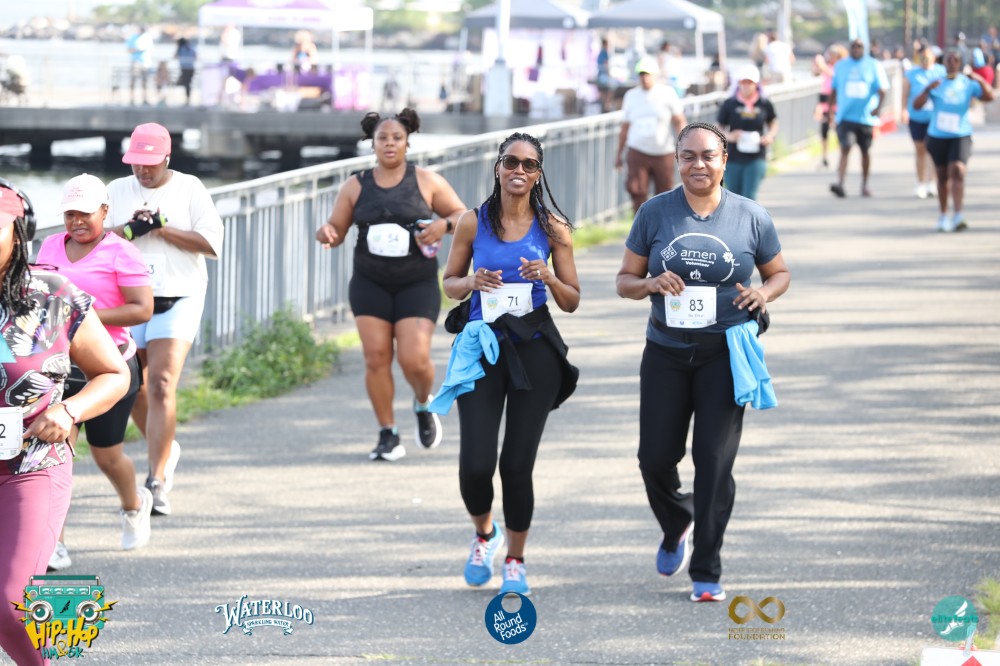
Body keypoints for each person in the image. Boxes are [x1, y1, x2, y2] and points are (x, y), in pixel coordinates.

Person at [615, 122, 790, 603]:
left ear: (724, 160)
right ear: (676, 160)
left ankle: (707, 569)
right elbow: (624, 280)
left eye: (708, 155)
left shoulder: (751, 216)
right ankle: (677, 520)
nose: (698, 164)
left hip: (725, 353)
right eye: (688, 156)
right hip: (666, 352)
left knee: (713, 462)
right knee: (654, 458)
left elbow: (779, 273)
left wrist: (763, 292)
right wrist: (650, 284)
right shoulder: (654, 213)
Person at [433, 132, 580, 596]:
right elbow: (449, 283)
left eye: (529, 165)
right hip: (482, 347)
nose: (519, 171)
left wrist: (549, 277)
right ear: (497, 167)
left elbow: (572, 300)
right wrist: (471, 282)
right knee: (476, 465)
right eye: (511, 162)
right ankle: (485, 535)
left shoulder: (553, 227)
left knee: (516, 464)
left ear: (539, 174)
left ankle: (515, 560)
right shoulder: (471, 222)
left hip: (535, 350)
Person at [0, 178, 129, 665]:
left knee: (11, 604)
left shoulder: (54, 296)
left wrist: (69, 410)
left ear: (20, 233)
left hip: (31, 467)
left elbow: (113, 373)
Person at [314, 108, 466, 461]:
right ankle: (388, 434)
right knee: (376, 358)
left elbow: (463, 216)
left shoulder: (427, 181)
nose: (390, 144)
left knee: (415, 359)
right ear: (372, 143)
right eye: (382, 138)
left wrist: (442, 225)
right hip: (370, 283)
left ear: (407, 142)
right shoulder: (356, 185)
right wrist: (327, 232)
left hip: (416, 282)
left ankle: (423, 403)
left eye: (397, 138)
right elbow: (335, 229)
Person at [106, 123, 225, 515]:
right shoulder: (117, 190)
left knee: (160, 383)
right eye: (136, 163)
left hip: (180, 295)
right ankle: (165, 448)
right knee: (134, 387)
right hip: (130, 301)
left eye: (151, 164)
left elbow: (211, 244)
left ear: (167, 158)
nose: (143, 171)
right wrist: (131, 228)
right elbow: (98, 242)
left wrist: (162, 227)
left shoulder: (190, 188)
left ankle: (156, 481)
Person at [38, 174, 154, 569]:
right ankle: (53, 542)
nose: (76, 222)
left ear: (105, 211)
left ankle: (134, 504)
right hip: (59, 368)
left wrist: (81, 318)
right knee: (55, 456)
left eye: (84, 214)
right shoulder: (49, 246)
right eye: (69, 214)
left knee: (107, 457)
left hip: (110, 368)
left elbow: (142, 309)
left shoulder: (123, 252)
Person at [913, 49, 995, 232]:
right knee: (942, 176)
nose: (951, 63)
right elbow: (916, 105)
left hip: (960, 135)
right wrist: (927, 89)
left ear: (959, 63)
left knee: (958, 170)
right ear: (944, 63)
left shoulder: (967, 83)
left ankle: (958, 215)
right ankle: (943, 215)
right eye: (948, 60)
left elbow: (989, 97)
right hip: (938, 135)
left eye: (955, 60)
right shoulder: (937, 83)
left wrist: (978, 79)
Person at [616, 57, 687, 214]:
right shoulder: (631, 96)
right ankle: (641, 223)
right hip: (637, 149)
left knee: (664, 192)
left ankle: (662, 224)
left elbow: (679, 121)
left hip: (663, 151)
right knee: (637, 190)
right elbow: (625, 127)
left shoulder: (667, 93)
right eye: (641, 74)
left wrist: (685, 145)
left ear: (654, 75)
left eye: (647, 74)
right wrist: (619, 153)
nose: (644, 78)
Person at [828, 38, 889, 198]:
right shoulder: (841, 66)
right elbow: (834, 89)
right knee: (845, 147)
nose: (856, 49)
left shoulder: (873, 65)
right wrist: (830, 111)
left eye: (859, 46)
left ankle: (865, 184)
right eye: (854, 46)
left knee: (865, 151)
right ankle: (840, 183)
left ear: (864, 48)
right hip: (846, 116)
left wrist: (878, 108)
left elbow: (883, 89)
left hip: (865, 118)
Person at [716, 64, 778, 201]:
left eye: (749, 82)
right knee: (732, 196)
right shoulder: (730, 103)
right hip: (733, 156)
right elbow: (718, 127)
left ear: (756, 84)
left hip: (756, 156)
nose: (746, 86)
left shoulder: (764, 103)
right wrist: (729, 136)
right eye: (743, 82)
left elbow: (773, 122)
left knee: (749, 196)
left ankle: (749, 216)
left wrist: (770, 136)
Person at [902, 46, 945, 199]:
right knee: (920, 149)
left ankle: (932, 182)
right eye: (922, 58)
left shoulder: (941, 72)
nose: (925, 60)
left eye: (927, 57)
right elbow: (905, 93)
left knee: (932, 150)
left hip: (934, 117)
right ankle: (921, 182)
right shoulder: (911, 73)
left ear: (934, 57)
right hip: (916, 116)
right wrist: (903, 110)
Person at [813, 44, 847, 168]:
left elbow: (834, 76)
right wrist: (817, 65)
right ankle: (824, 157)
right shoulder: (828, 66)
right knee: (824, 131)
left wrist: (823, 65)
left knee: (838, 131)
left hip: (836, 102)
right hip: (825, 101)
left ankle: (842, 156)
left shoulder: (841, 67)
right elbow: (816, 72)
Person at [126, 25, 154, 105]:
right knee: (133, 80)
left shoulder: (148, 37)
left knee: (145, 81)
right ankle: (132, 99)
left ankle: (144, 99)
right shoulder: (133, 37)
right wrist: (138, 50)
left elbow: (151, 49)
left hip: (146, 63)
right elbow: (128, 49)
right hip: (136, 62)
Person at [175, 37, 197, 106]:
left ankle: (187, 100)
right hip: (191, 68)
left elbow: (175, 56)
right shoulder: (191, 48)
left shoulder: (181, 49)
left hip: (185, 69)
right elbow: (195, 56)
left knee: (185, 84)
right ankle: (188, 99)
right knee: (187, 84)